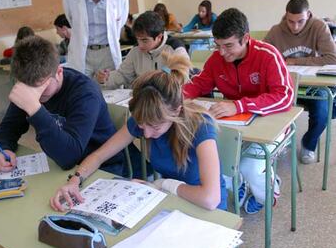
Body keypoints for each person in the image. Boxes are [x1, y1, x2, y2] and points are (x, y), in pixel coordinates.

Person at [50, 53, 227, 212]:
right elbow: (99, 156)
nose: (147, 135)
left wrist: (163, 184)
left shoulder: (201, 126)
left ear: (177, 111)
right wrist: (75, 181)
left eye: (155, 127)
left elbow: (210, 199)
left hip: (207, 211)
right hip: (172, 201)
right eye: (142, 127)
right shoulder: (144, 119)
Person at [183, 8, 294, 214]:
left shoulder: (268, 55)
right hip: (235, 125)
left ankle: (268, 192)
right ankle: (241, 184)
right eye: (218, 46)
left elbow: (285, 96)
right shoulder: (217, 60)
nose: (222, 53)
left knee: (248, 167)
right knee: (214, 160)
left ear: (246, 38)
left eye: (228, 46)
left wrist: (239, 105)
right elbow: (199, 84)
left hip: (272, 124)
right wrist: (173, 97)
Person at [0, 36, 124, 176]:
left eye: (42, 86)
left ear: (59, 72)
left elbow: (69, 158)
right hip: (63, 165)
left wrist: (35, 109)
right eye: (28, 88)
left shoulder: (85, 93)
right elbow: (7, 129)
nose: (35, 94)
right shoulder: (29, 83)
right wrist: (4, 149)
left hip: (103, 168)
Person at [264, 0, 336, 164]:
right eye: (291, 21)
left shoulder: (319, 27)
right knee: (268, 107)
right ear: (285, 16)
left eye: (300, 21)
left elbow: (332, 58)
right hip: (286, 86)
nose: (295, 26)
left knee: (323, 112)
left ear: (309, 15)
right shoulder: (276, 31)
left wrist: (295, 61)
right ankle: (279, 141)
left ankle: (308, 144)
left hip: (312, 86)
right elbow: (263, 57)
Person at [63, 0, 129, 77]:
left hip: (108, 52)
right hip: (83, 52)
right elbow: (72, 20)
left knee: (111, 90)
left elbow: (121, 21)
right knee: (82, 90)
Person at [96, 11, 189, 89]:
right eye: (138, 39)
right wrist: (106, 78)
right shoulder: (135, 51)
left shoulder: (176, 49)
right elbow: (123, 75)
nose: (140, 45)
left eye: (145, 40)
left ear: (159, 37)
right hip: (143, 99)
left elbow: (181, 80)